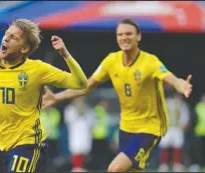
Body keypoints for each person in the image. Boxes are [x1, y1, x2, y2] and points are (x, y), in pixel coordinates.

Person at [41, 18, 193, 172]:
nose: (124, 37)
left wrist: (182, 84)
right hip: (126, 127)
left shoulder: (150, 62)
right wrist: (56, 97)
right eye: (120, 34)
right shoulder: (111, 61)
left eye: (129, 34)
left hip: (149, 127)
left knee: (115, 168)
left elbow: (170, 78)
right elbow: (87, 86)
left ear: (138, 36)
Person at [0, 18, 88, 172]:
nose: (6, 38)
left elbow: (80, 83)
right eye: (7, 34)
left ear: (24, 49)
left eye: (14, 37)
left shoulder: (37, 70)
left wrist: (65, 54)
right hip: (5, 145)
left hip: (29, 142)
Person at [158, 89, 190, 172]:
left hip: (177, 128)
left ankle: (177, 164)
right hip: (168, 128)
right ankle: (163, 165)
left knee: (177, 147)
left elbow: (184, 114)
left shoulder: (181, 104)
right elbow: (161, 114)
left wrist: (184, 124)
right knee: (164, 146)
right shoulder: (166, 103)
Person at [64, 96, 94, 172]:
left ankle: (81, 167)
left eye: (82, 99)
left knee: (84, 150)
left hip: (85, 132)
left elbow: (92, 120)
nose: (80, 101)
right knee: (76, 150)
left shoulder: (88, 109)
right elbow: (68, 120)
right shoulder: (70, 109)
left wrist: (84, 113)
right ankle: (77, 168)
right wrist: (78, 112)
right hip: (75, 132)